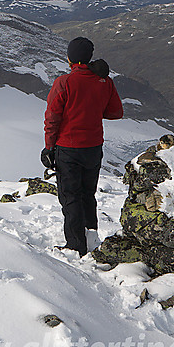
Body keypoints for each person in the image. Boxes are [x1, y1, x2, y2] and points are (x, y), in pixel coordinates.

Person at [42, 37, 123, 256]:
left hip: (68, 148)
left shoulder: (64, 83)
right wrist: (93, 109)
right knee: (88, 194)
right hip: (93, 147)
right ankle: (91, 236)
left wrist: (49, 148)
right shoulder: (104, 81)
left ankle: (76, 245)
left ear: (70, 58)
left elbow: (52, 118)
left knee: (70, 196)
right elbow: (116, 112)